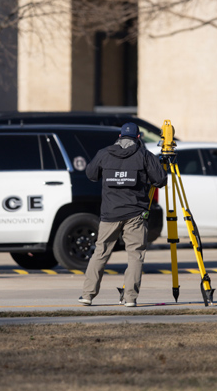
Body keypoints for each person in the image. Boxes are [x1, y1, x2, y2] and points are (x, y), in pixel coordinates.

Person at [78, 122, 167, 307]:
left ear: (119, 137)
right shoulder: (144, 155)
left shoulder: (104, 153)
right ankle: (130, 298)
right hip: (135, 213)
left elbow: (91, 174)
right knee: (135, 255)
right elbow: (160, 180)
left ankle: (87, 295)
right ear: (138, 138)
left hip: (110, 213)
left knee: (100, 253)